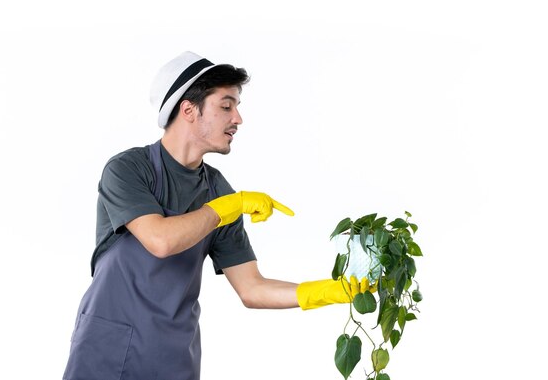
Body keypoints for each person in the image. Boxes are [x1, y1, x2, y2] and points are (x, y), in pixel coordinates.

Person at [63, 51, 372, 380]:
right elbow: (161, 240)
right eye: (226, 106)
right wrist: (227, 208)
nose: (238, 118)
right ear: (189, 110)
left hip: (174, 358)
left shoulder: (219, 191)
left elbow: (252, 288)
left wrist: (327, 291)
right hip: (106, 353)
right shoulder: (128, 169)